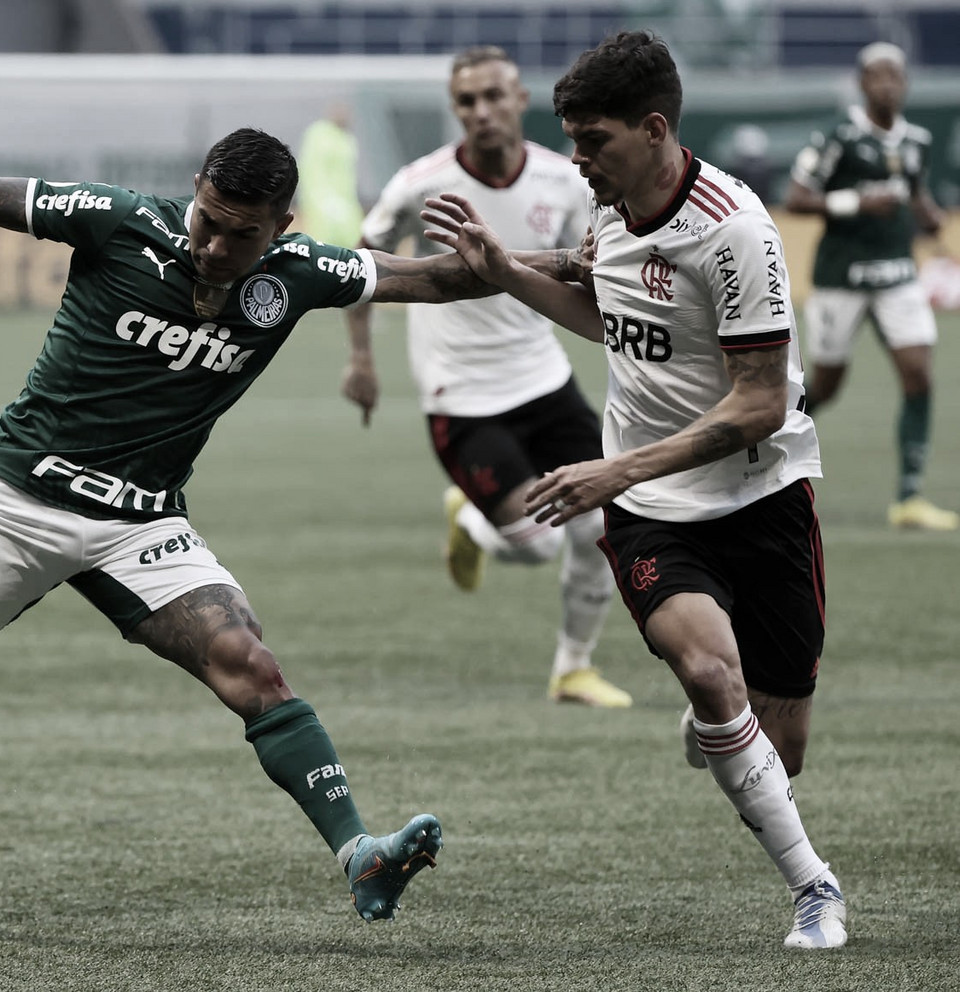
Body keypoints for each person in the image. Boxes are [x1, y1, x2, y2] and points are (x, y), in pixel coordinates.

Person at [0, 127, 582, 922]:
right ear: (195, 190)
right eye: (207, 219)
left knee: (253, 666)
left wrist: (564, 263)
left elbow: (440, 277)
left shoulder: (304, 274)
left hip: (140, 525)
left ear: (283, 227)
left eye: (240, 235)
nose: (213, 246)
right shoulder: (119, 223)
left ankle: (359, 853)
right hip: (21, 501)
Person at [422, 31, 847, 949]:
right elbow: (612, 319)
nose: (578, 162)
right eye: (572, 142)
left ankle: (725, 732)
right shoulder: (609, 211)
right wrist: (505, 275)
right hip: (655, 512)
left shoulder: (737, 232)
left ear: (655, 129)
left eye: (595, 142)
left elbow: (762, 404)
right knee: (705, 669)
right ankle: (815, 888)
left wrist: (613, 467)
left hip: (763, 499)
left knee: (783, 749)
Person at [342, 46, 630, 708]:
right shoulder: (421, 182)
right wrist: (361, 356)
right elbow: (360, 263)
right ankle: (472, 523)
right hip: (460, 393)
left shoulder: (565, 179)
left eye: (494, 96)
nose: (482, 112)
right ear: (456, 110)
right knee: (535, 545)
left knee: (604, 524)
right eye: (467, 101)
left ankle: (573, 668)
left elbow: (588, 262)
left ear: (520, 100)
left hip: (543, 377)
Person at [785, 42, 955, 531]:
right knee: (826, 386)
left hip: (898, 273)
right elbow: (797, 197)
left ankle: (909, 497)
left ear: (905, 83)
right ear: (862, 84)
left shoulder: (916, 140)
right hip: (842, 275)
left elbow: (916, 193)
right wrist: (856, 204)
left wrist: (928, 217)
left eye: (895, 76)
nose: (887, 85)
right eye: (877, 77)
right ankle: (763, 439)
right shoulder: (839, 136)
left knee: (919, 373)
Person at [295, 102, 364, 247]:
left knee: (352, 238)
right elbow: (312, 169)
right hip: (324, 199)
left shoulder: (347, 139)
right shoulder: (320, 135)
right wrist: (322, 197)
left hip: (346, 199)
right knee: (325, 240)